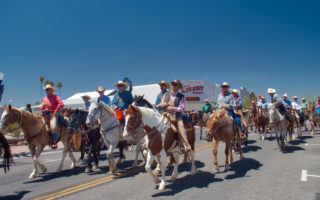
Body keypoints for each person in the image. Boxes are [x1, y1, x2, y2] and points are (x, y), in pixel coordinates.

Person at [165, 79, 192, 153]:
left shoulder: (181, 96)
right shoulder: (167, 94)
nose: (174, 85)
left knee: (180, 127)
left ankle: (186, 144)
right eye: (173, 84)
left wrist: (173, 108)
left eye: (175, 84)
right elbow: (163, 103)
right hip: (166, 114)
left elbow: (182, 108)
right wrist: (165, 105)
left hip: (177, 115)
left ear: (178, 86)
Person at [41, 84, 64, 149]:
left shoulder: (56, 97)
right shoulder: (44, 99)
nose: (47, 91)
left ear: (52, 90)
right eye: (46, 90)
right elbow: (42, 107)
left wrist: (55, 111)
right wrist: (42, 108)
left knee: (53, 127)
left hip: (54, 114)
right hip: (46, 114)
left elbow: (61, 104)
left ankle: (54, 141)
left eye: (48, 89)